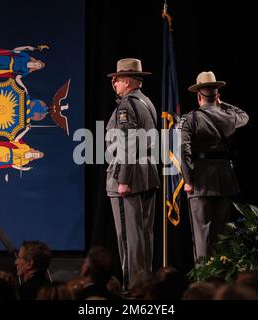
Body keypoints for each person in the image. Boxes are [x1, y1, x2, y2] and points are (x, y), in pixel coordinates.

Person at [180, 71, 249, 264]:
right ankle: (220, 275)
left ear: (198, 96)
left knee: (202, 233)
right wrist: (221, 103)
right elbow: (244, 116)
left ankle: (203, 277)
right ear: (217, 95)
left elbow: (183, 152)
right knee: (221, 234)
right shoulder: (229, 117)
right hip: (225, 178)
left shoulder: (190, 119)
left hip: (201, 179)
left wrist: (188, 179)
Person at [105, 58, 160, 290]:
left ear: (127, 81)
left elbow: (127, 142)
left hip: (129, 177)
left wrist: (123, 179)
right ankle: (145, 286)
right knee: (144, 237)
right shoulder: (147, 102)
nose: (114, 83)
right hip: (147, 174)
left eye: (116, 79)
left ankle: (132, 290)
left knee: (129, 239)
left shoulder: (127, 105)